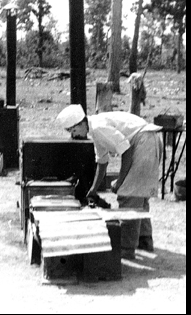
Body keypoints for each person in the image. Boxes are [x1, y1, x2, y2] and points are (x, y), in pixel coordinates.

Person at [56, 104, 163, 259]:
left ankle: (126, 248)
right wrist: (93, 189)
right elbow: (102, 161)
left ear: (81, 123)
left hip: (143, 142)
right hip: (149, 139)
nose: (74, 135)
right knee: (139, 196)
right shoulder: (95, 130)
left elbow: (126, 151)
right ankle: (144, 240)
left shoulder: (99, 128)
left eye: (74, 130)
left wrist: (120, 181)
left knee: (129, 196)